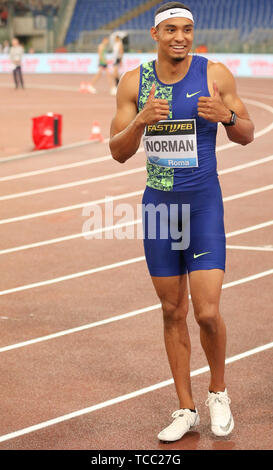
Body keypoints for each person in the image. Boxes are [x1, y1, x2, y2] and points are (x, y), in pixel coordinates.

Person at [109, 2, 254, 442]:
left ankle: (218, 393)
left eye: (187, 30)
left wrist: (227, 117)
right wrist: (139, 121)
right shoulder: (135, 81)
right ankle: (185, 407)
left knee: (207, 312)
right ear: (154, 35)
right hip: (159, 209)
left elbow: (248, 132)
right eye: (171, 29)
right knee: (172, 310)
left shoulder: (215, 75)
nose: (180, 37)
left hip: (203, 205)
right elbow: (117, 150)